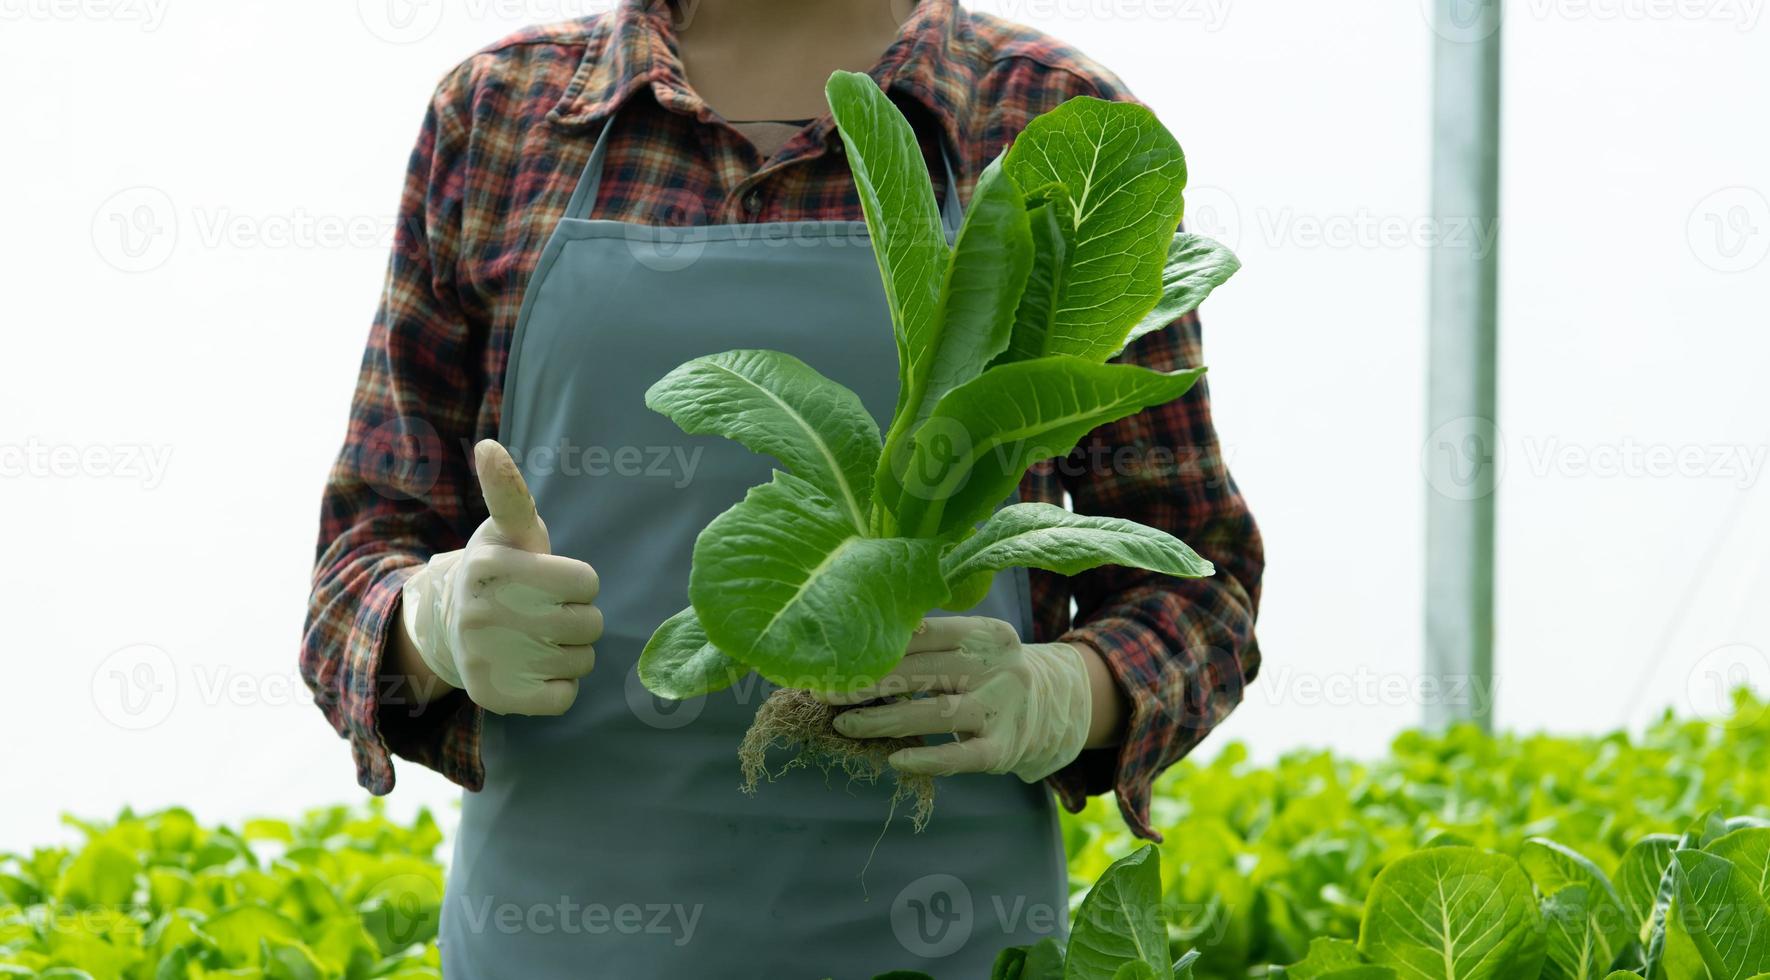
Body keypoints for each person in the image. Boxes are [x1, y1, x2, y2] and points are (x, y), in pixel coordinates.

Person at [301, 0, 1263, 975]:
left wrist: (1064, 691)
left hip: (947, 941)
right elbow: (355, 568)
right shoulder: (499, 113)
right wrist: (430, 621)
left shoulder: (1042, 113)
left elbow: (1200, 586)